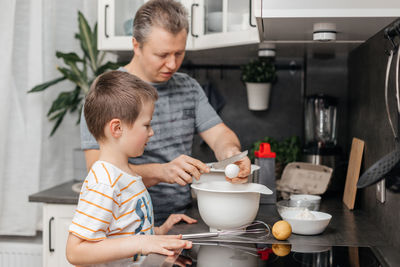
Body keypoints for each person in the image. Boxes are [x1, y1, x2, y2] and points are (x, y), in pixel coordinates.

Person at [80, 0, 251, 225]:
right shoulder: (108, 94)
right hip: (127, 224)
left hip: (180, 218)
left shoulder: (188, 87)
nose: (172, 64)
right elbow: (97, 170)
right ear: (136, 45)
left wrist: (231, 155)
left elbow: (219, 135)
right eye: (162, 54)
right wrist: (161, 172)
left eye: (179, 53)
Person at [66, 71, 195, 266]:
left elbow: (129, 233)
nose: (151, 132)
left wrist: (159, 232)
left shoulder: (126, 175)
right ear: (117, 128)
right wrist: (142, 243)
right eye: (146, 125)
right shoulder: (104, 181)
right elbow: (75, 252)